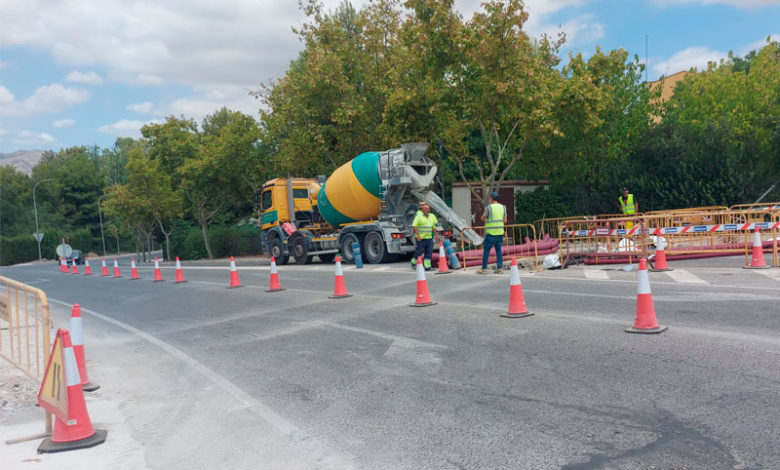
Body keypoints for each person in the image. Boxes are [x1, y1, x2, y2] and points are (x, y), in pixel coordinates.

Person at [479, 192, 507, 274]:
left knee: (486, 250)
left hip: (491, 233)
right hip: (500, 233)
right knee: (498, 250)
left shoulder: (489, 208)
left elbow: (482, 218)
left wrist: (484, 217)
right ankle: (499, 268)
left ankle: (484, 268)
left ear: (491, 198)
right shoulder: (503, 207)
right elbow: (505, 220)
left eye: (489, 198)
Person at [411, 201, 440, 271]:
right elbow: (414, 226)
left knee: (429, 252)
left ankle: (427, 266)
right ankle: (414, 261)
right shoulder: (419, 216)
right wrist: (418, 236)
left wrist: (436, 235)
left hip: (429, 238)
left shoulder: (431, 216)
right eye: (426, 209)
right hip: (421, 238)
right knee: (420, 251)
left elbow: (433, 227)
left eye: (429, 209)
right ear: (422, 210)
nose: (428, 210)